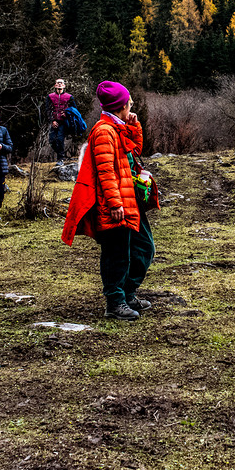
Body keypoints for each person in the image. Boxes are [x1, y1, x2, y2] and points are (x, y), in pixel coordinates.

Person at [61, 81, 157, 321]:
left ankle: (127, 293)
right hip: (115, 203)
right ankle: (115, 302)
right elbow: (105, 172)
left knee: (144, 247)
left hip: (129, 199)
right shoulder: (104, 131)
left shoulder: (116, 127)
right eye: (130, 103)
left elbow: (133, 149)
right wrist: (115, 205)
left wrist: (134, 126)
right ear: (121, 105)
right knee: (117, 254)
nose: (132, 105)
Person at [46, 78, 77, 164]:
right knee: (51, 141)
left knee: (60, 139)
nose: (59, 84)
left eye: (61, 83)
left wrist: (67, 114)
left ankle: (61, 159)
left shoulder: (69, 97)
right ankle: (62, 154)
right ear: (55, 85)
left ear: (64, 85)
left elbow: (74, 110)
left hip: (64, 122)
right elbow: (47, 110)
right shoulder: (50, 97)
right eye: (58, 83)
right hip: (54, 121)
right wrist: (52, 121)